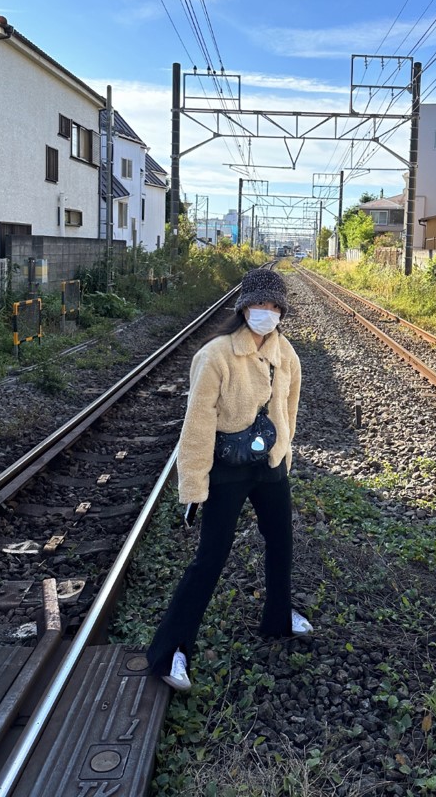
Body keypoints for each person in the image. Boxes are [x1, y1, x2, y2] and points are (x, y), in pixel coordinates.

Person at [146, 267, 313, 693]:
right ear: (243, 307)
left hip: (269, 464)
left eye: (274, 306)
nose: (266, 312)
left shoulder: (285, 352)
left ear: (282, 312)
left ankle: (278, 618)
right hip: (228, 468)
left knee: (282, 541)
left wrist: (284, 452)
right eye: (259, 303)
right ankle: (170, 651)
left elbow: (290, 406)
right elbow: (197, 424)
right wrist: (193, 486)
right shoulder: (215, 355)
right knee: (211, 557)